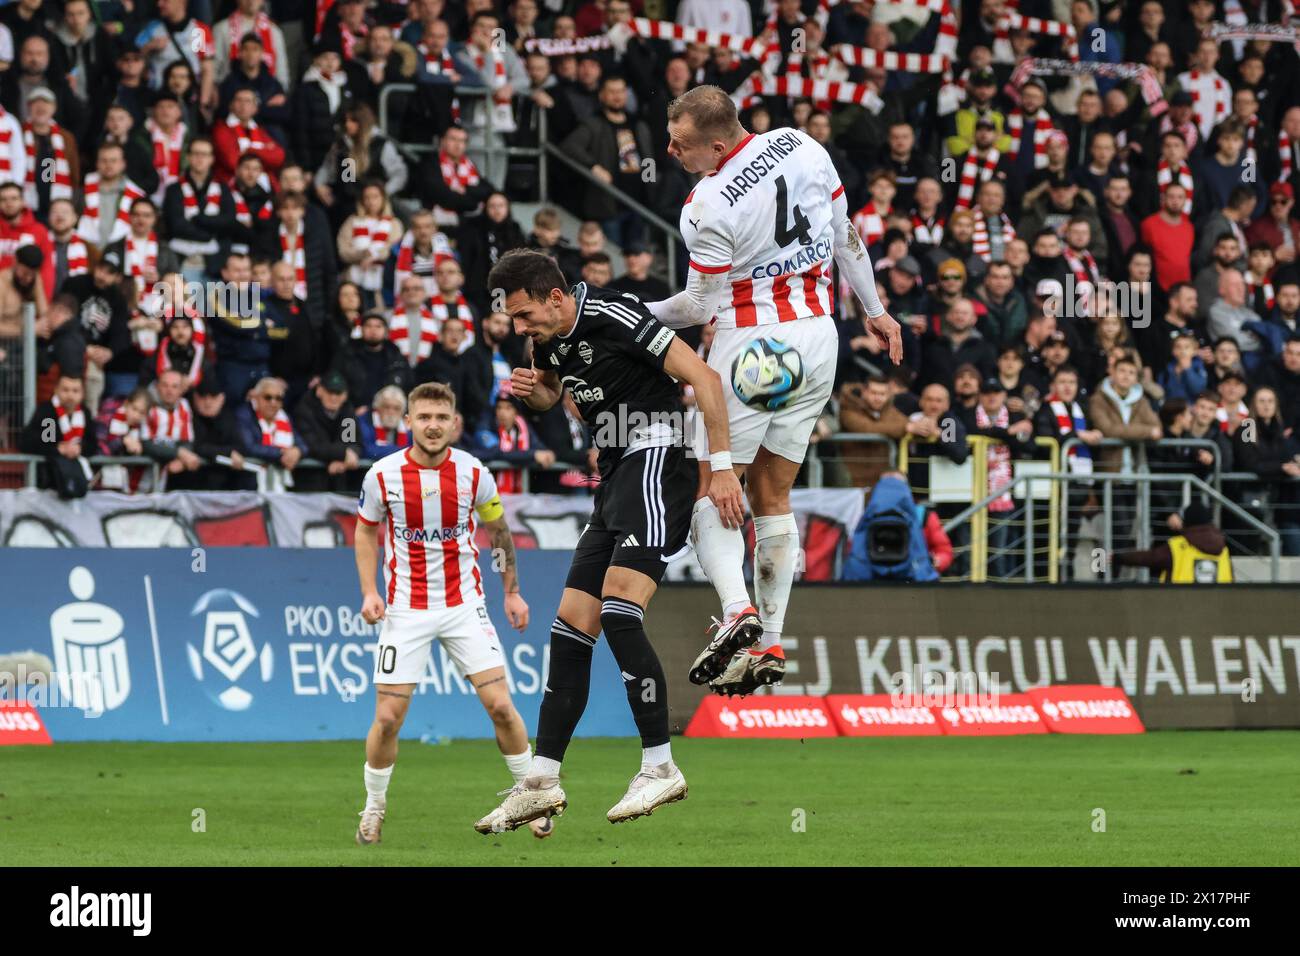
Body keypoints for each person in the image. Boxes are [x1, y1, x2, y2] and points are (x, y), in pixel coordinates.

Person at [645, 85, 901, 697]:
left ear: (715, 143)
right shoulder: (802, 144)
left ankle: (737, 611)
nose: (670, 150)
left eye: (679, 143)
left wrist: (626, 311)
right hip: (819, 341)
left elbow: (699, 305)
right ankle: (771, 642)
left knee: (714, 485)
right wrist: (876, 308)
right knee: (773, 492)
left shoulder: (707, 203)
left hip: (754, 345)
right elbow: (847, 237)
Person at [475, 249, 743, 832]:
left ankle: (660, 766)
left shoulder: (617, 315)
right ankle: (541, 780)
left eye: (525, 316)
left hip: (657, 457)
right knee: (571, 627)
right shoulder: (546, 341)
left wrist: (719, 466)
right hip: (615, 472)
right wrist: (534, 391)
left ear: (555, 296)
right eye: (514, 320)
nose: (520, 329)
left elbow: (703, 376)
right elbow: (550, 393)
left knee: (621, 611)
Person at [354, 381, 546, 845]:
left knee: (501, 706)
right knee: (387, 719)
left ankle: (533, 797)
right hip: (404, 610)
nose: (433, 426)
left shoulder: (475, 474)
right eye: (424, 417)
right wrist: (369, 592)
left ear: (454, 422)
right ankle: (374, 808)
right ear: (409, 422)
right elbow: (365, 533)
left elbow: (499, 533)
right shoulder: (382, 475)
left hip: (465, 607)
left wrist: (512, 593)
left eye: (441, 418)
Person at [843, 470, 950, 582]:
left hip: (870, 583)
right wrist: (929, 565)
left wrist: (936, 561)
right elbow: (944, 549)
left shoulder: (865, 517)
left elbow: (852, 552)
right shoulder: (922, 516)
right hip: (913, 581)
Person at [1112, 502, 1232, 583]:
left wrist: (1118, 558)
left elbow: (1148, 558)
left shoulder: (1178, 546)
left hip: (1178, 607)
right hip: (1214, 612)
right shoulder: (1224, 550)